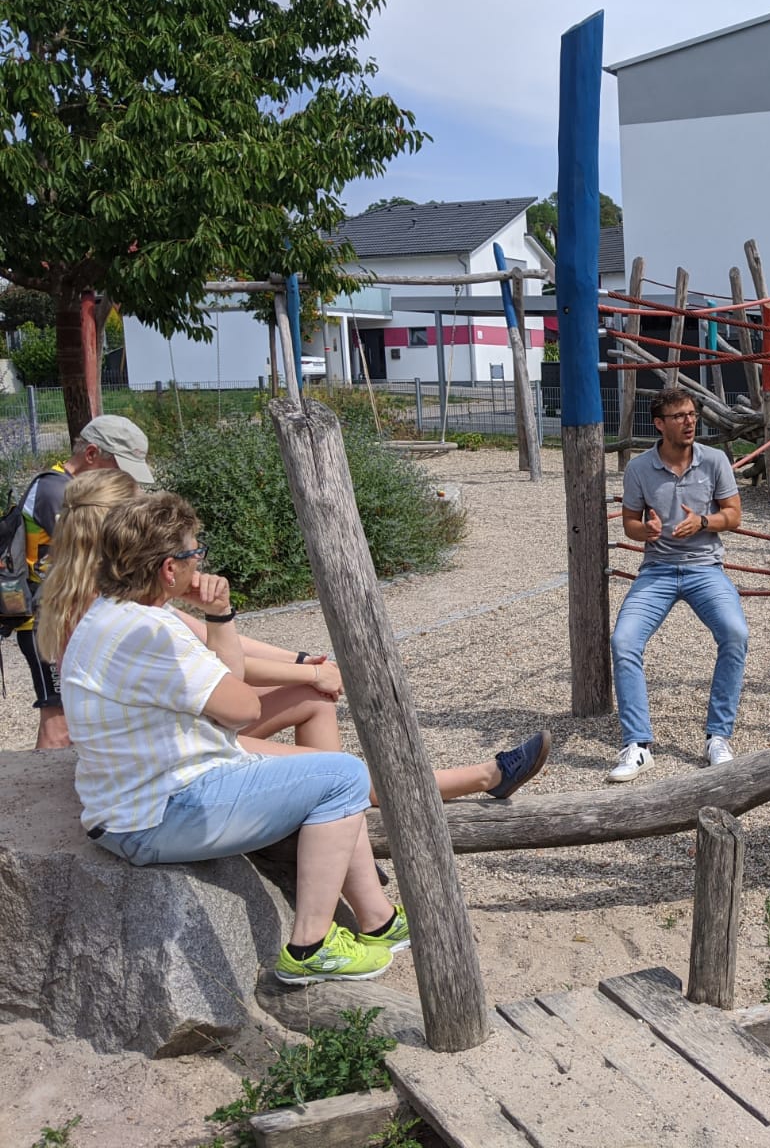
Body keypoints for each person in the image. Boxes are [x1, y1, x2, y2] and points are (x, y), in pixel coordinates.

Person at [34, 473, 548, 802]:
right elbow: (233, 677)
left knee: (315, 701)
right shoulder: (134, 613)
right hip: (176, 751)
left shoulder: (99, 598)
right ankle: (484, 777)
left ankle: (338, 823)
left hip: (170, 731)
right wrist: (307, 666)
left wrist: (306, 664)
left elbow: (230, 655)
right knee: (337, 766)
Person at [60, 491, 404, 984]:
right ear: (167, 569)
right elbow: (241, 709)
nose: (200, 560)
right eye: (193, 552)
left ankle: (378, 921)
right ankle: (310, 946)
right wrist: (221, 616)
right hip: (157, 815)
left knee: (325, 775)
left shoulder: (110, 614)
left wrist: (217, 617)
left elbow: (229, 698)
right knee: (342, 777)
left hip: (139, 800)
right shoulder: (152, 634)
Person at [609, 388, 746, 781]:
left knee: (735, 633)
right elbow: (630, 524)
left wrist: (704, 522)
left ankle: (718, 737)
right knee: (623, 641)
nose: (689, 422)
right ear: (659, 424)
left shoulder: (715, 460)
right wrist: (646, 531)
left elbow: (734, 516)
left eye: (691, 414)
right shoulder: (639, 469)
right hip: (658, 569)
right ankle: (637, 745)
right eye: (679, 416)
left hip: (705, 567)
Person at [13, 415, 154, 751]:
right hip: (45, 618)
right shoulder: (57, 492)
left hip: (63, 612)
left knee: (70, 716)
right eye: (118, 468)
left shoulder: (66, 487)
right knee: (58, 720)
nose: (122, 479)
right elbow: (94, 553)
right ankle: (42, 799)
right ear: (92, 454)